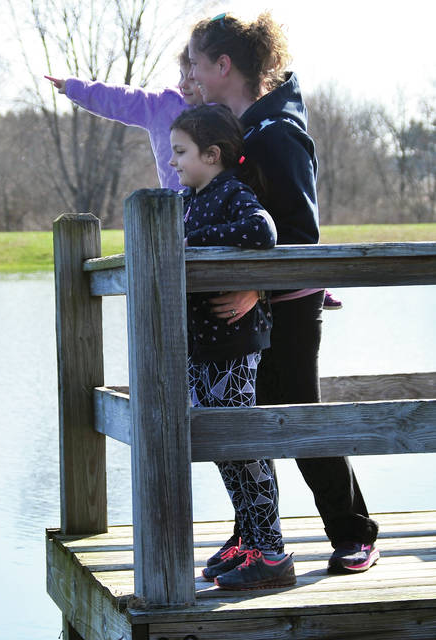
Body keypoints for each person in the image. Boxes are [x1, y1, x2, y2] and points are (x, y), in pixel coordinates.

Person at [188, 11, 380, 574]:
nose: (194, 75)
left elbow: (301, 235)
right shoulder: (241, 128)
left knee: (295, 419)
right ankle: (251, 536)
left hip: (289, 305)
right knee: (245, 425)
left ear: (224, 65)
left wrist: (257, 286)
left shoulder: (280, 134)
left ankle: (354, 530)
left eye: (200, 64)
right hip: (250, 309)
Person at [170, 103, 296, 590]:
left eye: (181, 151)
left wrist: (191, 241)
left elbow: (263, 230)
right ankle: (248, 537)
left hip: (234, 341)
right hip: (200, 344)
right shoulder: (186, 200)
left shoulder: (230, 193)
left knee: (244, 445)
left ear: (213, 154)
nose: (174, 160)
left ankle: (271, 553)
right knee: (224, 446)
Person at [44, 46, 203, 191]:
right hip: (174, 205)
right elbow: (120, 99)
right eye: (181, 75)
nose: (183, 84)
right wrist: (75, 88)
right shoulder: (161, 104)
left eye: (192, 78)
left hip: (215, 204)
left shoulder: (224, 110)